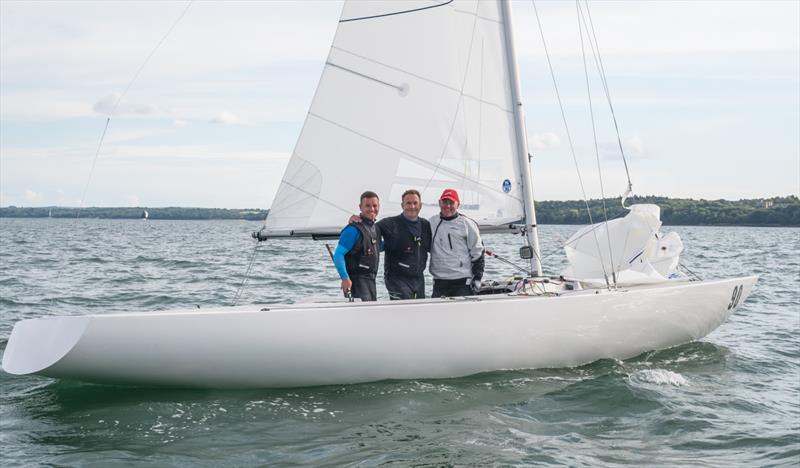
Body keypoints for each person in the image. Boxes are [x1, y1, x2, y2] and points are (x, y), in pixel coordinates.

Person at [429, 188, 485, 297]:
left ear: (458, 204)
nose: (448, 206)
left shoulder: (467, 224)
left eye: (451, 203)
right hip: (439, 281)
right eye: (445, 202)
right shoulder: (431, 222)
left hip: (462, 281)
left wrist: (478, 277)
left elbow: (478, 252)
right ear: (439, 203)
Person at [333, 191, 381, 301]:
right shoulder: (352, 230)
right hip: (356, 281)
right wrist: (345, 279)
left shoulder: (375, 228)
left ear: (379, 206)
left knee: (370, 313)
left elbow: (379, 247)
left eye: (375, 205)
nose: (372, 209)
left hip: (371, 280)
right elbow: (338, 255)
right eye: (367, 206)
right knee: (363, 315)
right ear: (360, 207)